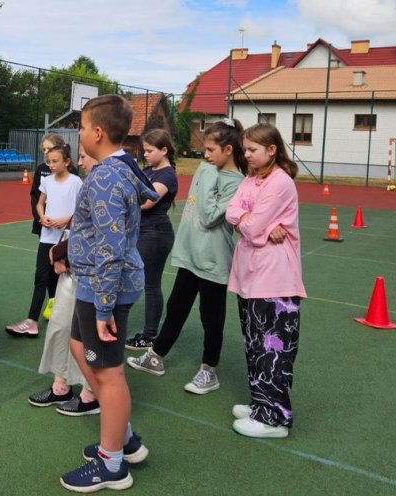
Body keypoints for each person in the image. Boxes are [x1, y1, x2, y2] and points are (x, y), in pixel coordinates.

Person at [59, 95, 157, 492]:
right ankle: (125, 438)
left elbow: (110, 249)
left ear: (97, 132)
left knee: (109, 373)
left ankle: (112, 463)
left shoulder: (104, 178)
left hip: (105, 289)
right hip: (94, 284)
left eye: (81, 127)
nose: (78, 134)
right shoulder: (119, 168)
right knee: (78, 346)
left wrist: (102, 308)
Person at [127, 119, 247, 396]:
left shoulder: (235, 182)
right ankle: (156, 356)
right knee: (177, 306)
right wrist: (207, 172)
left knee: (211, 316)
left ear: (228, 149)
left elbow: (208, 217)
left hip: (213, 260)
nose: (205, 155)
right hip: (191, 255)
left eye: (210, 150)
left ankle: (209, 369)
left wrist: (208, 174)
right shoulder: (208, 170)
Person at [225, 123, 306, 439]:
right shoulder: (250, 179)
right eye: (245, 150)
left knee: (273, 348)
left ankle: (275, 418)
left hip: (275, 280)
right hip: (251, 276)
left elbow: (255, 227)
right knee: (254, 343)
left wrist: (250, 221)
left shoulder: (280, 183)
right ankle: (261, 403)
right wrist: (247, 219)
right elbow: (233, 211)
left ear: (272, 150)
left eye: (252, 150)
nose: (246, 156)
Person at [29, 144, 99, 417]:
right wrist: (61, 254)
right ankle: (61, 385)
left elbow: (91, 230)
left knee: (87, 334)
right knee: (60, 324)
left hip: (93, 274)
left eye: (83, 157)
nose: (80, 162)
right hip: (73, 267)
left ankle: (90, 392)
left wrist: (63, 253)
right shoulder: (89, 184)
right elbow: (79, 228)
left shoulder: (100, 186)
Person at [6, 143, 82, 337]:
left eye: (55, 161)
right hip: (47, 236)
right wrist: (42, 217)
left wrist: (65, 220)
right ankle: (31, 321)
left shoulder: (76, 182)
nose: (51, 165)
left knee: (66, 279)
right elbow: (40, 204)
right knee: (41, 277)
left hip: (66, 238)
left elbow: (81, 211)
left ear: (67, 161)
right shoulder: (47, 181)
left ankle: (73, 321)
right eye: (49, 161)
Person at [124, 129, 179, 351]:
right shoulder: (148, 170)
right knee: (141, 282)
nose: (145, 154)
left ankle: (149, 336)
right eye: (143, 150)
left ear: (164, 150)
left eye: (149, 150)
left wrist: (125, 198)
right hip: (143, 232)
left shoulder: (166, 175)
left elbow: (148, 201)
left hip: (155, 234)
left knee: (150, 284)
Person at [28, 133, 66, 319]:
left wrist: (65, 221)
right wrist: (40, 218)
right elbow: (36, 197)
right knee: (44, 267)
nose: (45, 153)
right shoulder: (42, 169)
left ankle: (55, 301)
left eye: (49, 149)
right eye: (44, 150)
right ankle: (37, 313)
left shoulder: (70, 174)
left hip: (62, 229)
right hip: (45, 226)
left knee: (57, 266)